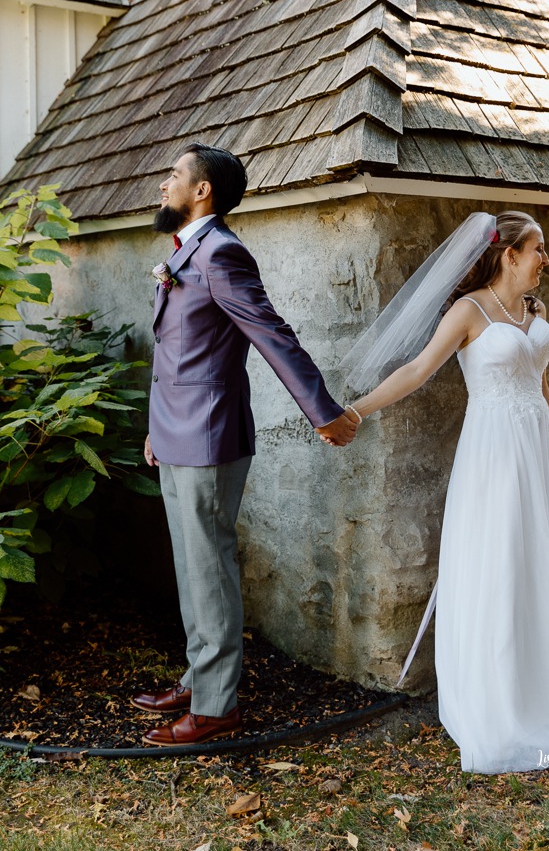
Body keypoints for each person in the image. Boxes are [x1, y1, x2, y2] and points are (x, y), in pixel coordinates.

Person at [340, 210, 549, 773]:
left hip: (536, 451)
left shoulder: (537, 310)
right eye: (537, 250)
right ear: (508, 254)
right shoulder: (469, 310)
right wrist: (357, 411)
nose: (545, 260)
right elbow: (416, 370)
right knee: (500, 564)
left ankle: (548, 694)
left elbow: (542, 385)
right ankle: (498, 704)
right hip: (493, 455)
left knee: (541, 565)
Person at [134, 141, 359, 747]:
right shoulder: (185, 250)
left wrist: (323, 411)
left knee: (211, 570)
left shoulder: (223, 253)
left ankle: (215, 708)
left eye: (173, 175)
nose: (164, 184)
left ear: (202, 190)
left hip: (209, 436)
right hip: (174, 435)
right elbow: (174, 359)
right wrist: (155, 430)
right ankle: (198, 676)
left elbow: (271, 335)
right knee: (191, 567)